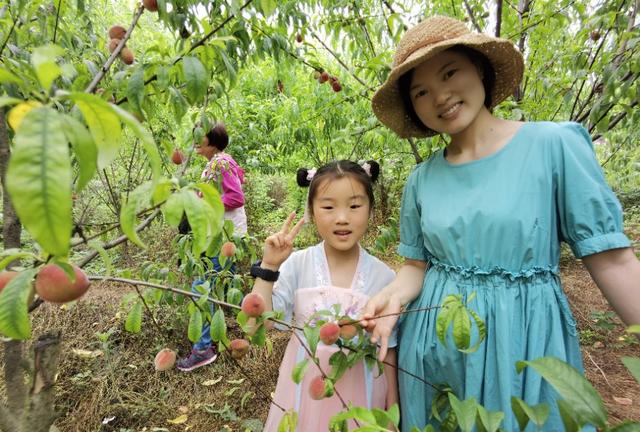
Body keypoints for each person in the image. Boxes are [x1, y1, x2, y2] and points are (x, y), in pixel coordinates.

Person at [361, 15, 640, 431]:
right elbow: (415, 268)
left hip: (524, 342)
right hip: (438, 344)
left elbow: (614, 261)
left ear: (480, 68)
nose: (440, 96)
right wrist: (392, 300)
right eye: (421, 91)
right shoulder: (422, 180)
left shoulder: (552, 145)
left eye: (449, 72)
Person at [250, 160, 398, 431]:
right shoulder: (298, 265)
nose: (342, 217)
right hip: (304, 395)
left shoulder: (384, 277)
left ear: (371, 210)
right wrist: (269, 266)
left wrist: (391, 413)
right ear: (312, 212)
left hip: (361, 395)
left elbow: (388, 352)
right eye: (328, 207)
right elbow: (255, 324)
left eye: (354, 206)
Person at [177, 122, 248, 372]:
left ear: (212, 139)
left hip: (223, 239)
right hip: (218, 236)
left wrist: (204, 200)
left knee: (203, 289)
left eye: (200, 136)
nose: (196, 140)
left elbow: (236, 197)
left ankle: (203, 349)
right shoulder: (216, 164)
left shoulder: (222, 162)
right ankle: (212, 340)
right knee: (212, 287)